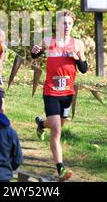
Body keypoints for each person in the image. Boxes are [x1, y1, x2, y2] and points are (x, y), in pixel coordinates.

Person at [31, 10, 88, 181]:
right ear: (58, 24)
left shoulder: (78, 44)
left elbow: (84, 69)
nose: (67, 26)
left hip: (68, 93)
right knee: (56, 129)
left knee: (59, 124)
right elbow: (35, 54)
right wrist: (35, 51)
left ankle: (41, 123)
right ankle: (60, 168)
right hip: (51, 91)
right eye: (64, 23)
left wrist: (77, 59)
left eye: (70, 23)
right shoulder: (49, 41)